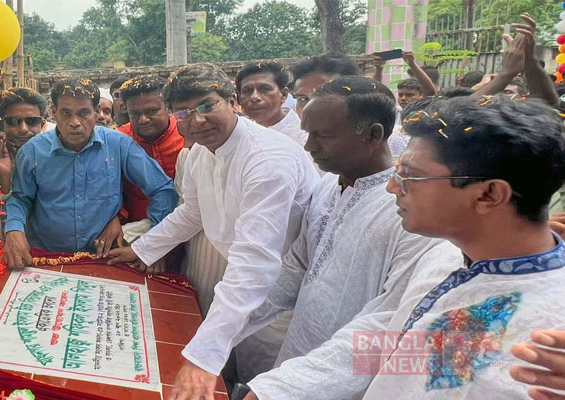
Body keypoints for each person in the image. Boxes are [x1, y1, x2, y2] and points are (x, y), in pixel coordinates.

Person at [243, 95, 565, 399]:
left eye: (410, 177)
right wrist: (277, 390)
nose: (391, 187)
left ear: (488, 194)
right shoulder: (445, 257)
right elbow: (394, 336)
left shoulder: (557, 337)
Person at [107, 63, 319, 400]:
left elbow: (255, 262)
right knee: (232, 374)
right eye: (184, 112)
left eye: (207, 106)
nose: (198, 120)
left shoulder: (267, 159)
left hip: (280, 295)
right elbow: (193, 212)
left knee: (263, 382)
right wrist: (143, 248)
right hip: (240, 285)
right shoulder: (198, 155)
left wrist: (203, 357)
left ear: (231, 99)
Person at [231, 77, 460, 385]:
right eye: (308, 133)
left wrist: (290, 388)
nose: (309, 146)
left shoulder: (412, 214)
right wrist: (227, 323)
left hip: (346, 380)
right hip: (297, 357)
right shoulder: (327, 183)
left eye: (323, 136)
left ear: (372, 135)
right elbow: (296, 268)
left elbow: (386, 325)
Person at [2, 78, 178, 267]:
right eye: (66, 113)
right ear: (53, 114)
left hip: (105, 258)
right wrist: (14, 230)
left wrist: (153, 243)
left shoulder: (118, 145)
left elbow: (162, 189)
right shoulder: (32, 152)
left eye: (83, 113)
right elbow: (21, 198)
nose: (75, 122)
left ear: (96, 113)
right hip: (47, 256)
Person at [116, 75, 185, 244]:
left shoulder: (187, 134)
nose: (143, 120)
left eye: (152, 111)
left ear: (168, 108)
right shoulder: (118, 141)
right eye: (135, 114)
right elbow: (110, 190)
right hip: (135, 235)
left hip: (188, 229)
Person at [235, 61, 307, 146]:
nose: (254, 97)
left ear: (284, 94)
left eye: (265, 89)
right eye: (247, 91)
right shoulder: (239, 134)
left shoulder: (302, 138)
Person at [0, 87, 48, 197]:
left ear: (42, 124)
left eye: (32, 121)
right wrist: (4, 183)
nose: (23, 128)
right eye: (14, 121)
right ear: (3, 124)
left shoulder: (56, 154)